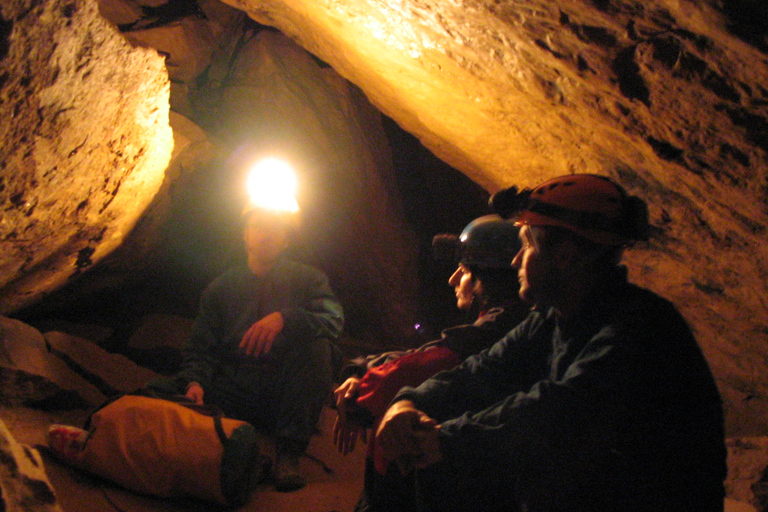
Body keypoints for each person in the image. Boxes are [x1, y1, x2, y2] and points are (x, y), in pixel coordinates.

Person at [375, 174, 727, 512]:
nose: (516, 260)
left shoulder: (642, 328)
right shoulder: (556, 317)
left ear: (564, 254)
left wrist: (444, 440)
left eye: (527, 245)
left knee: (450, 465)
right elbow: (482, 371)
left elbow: (560, 413)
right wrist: (409, 402)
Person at [333, 215, 531, 512]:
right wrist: (363, 369)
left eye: (463, 270)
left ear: (487, 278)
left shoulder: (501, 327)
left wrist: (361, 394)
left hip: (483, 471)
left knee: (398, 423)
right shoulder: (509, 319)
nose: (453, 279)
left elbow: (427, 363)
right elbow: (431, 351)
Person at [146, 200, 344, 492]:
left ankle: (288, 453)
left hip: (284, 394)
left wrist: (285, 319)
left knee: (319, 348)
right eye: (258, 226)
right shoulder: (222, 288)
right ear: (245, 234)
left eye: (275, 228)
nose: (266, 234)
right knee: (157, 390)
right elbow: (201, 346)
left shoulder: (308, 279)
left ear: (287, 239)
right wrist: (195, 381)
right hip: (235, 387)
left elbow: (332, 320)